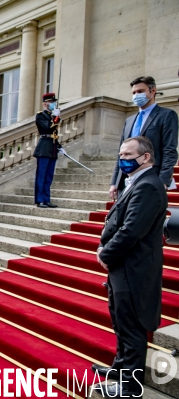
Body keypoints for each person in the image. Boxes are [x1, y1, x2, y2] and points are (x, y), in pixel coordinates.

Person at [92, 137, 167, 397]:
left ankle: (130, 386)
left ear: (145, 157)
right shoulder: (137, 181)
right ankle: (120, 368)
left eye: (128, 154)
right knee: (121, 322)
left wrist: (106, 254)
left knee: (132, 328)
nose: (122, 159)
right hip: (123, 267)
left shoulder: (148, 186)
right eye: (121, 153)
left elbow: (131, 230)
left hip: (133, 269)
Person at [109, 76, 179, 200]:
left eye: (140, 91)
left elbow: (170, 151)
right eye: (134, 92)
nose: (136, 95)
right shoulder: (129, 121)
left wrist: (163, 180)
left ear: (152, 91)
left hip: (151, 178)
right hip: (125, 180)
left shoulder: (167, 115)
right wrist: (114, 181)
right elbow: (120, 154)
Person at [33, 92, 62, 208]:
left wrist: (59, 147)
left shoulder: (53, 116)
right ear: (45, 104)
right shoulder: (40, 116)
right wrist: (55, 118)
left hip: (52, 148)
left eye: (54, 102)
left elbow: (54, 134)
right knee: (42, 175)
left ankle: (46, 199)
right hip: (44, 148)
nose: (53, 104)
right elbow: (47, 128)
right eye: (51, 102)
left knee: (49, 176)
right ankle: (40, 200)